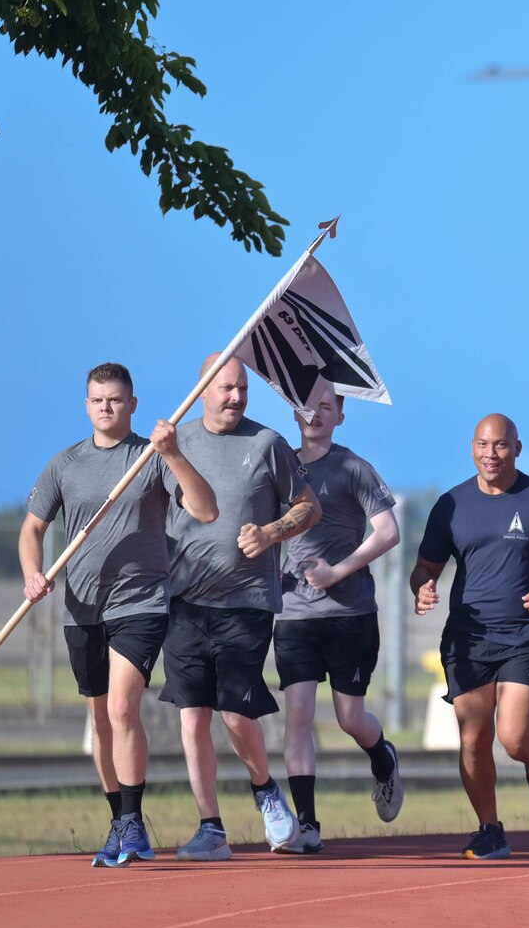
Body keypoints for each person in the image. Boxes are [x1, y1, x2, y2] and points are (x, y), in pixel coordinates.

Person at [21, 362, 217, 867]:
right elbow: (32, 529)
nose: (106, 407)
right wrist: (32, 572)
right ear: (86, 406)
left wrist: (173, 454)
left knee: (122, 710)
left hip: (142, 602)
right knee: (100, 720)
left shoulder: (150, 458)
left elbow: (206, 509)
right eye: (97, 400)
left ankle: (132, 821)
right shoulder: (65, 464)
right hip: (82, 606)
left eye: (115, 399)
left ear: (132, 404)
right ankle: (118, 820)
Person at [413, 414, 529, 859]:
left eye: (500, 446)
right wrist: (422, 587)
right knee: (473, 738)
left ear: (517, 448)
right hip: (467, 639)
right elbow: (426, 566)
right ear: (472, 448)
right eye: (482, 445)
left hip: (524, 637)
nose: (490, 454)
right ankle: (490, 829)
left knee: (513, 737)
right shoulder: (450, 505)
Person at [163, 355, 319, 861]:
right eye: (227, 389)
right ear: (203, 389)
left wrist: (272, 531)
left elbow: (308, 507)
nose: (236, 397)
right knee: (193, 718)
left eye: (243, 389)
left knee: (234, 712)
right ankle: (211, 828)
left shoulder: (267, 444)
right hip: (186, 601)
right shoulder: (173, 443)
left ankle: (265, 789)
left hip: (247, 602)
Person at [272, 388, 404, 854]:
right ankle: (306, 825)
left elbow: (389, 532)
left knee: (350, 718)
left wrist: (338, 571)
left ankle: (382, 756)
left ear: (340, 417)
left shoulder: (354, 468)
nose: (315, 414)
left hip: (350, 613)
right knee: (299, 716)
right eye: (308, 406)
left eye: (326, 407)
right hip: (294, 614)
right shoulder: (279, 467)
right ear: (294, 412)